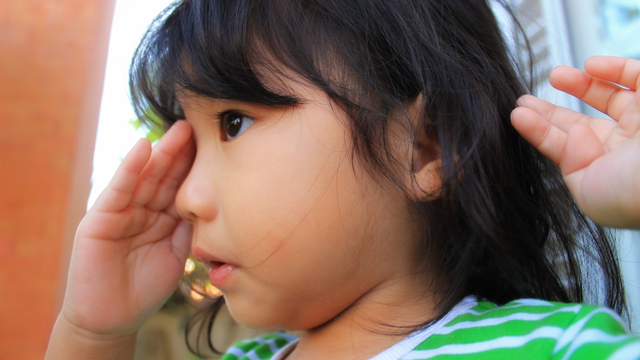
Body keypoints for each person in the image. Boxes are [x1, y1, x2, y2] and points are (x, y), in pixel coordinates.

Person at [45, 0, 640, 359]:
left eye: (233, 122)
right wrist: (94, 332)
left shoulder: (552, 349)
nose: (185, 195)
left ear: (424, 148)